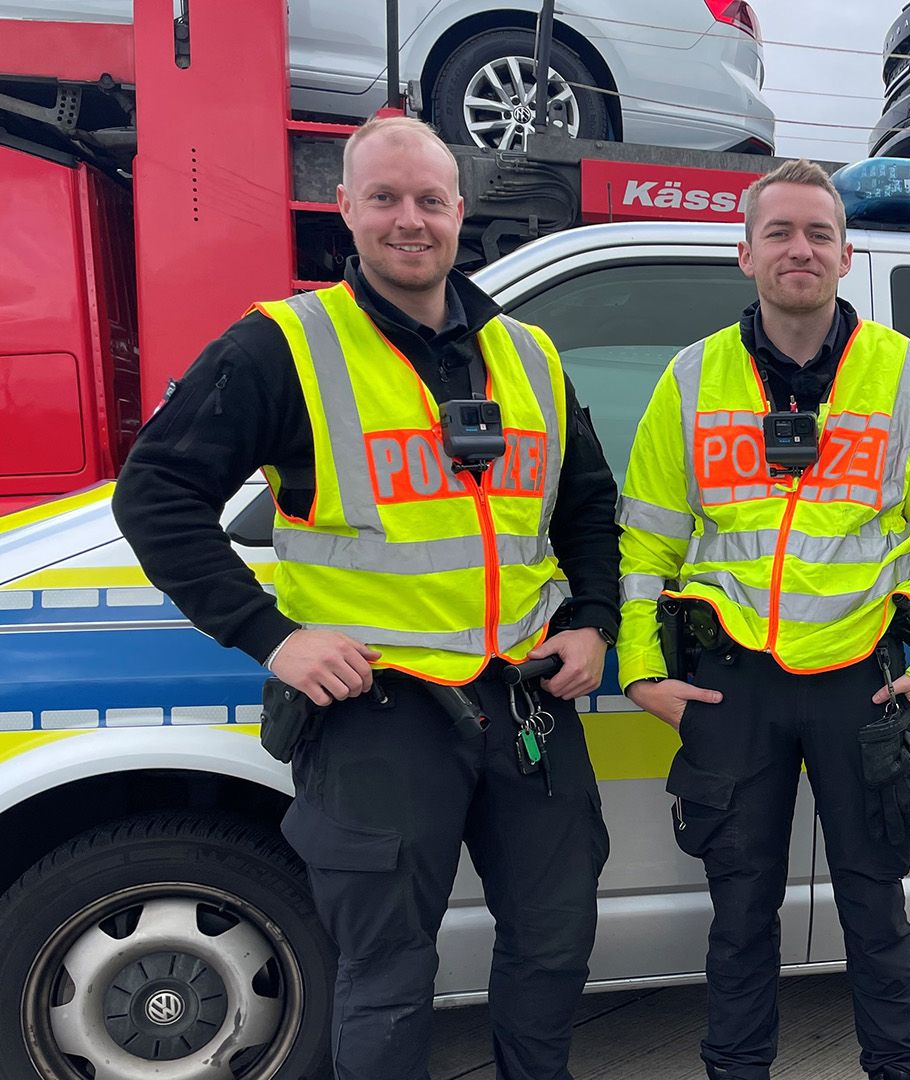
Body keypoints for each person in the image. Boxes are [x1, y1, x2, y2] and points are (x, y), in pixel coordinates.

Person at [111, 116, 618, 1080]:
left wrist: (593, 619)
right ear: (345, 209)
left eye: (429, 200)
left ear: (460, 211)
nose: (409, 220)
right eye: (384, 199)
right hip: (376, 712)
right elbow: (156, 496)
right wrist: (272, 637)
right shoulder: (284, 346)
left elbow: (588, 505)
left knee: (554, 947)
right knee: (385, 973)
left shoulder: (530, 355)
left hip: (524, 699)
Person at [616, 159, 910, 1080]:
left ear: (846, 255)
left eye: (819, 233)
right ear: (745, 253)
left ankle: (900, 1069)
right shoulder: (692, 377)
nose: (801, 249)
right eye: (779, 232)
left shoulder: (905, 377)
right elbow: (646, 544)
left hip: (863, 682)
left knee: (875, 904)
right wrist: (641, 671)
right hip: (732, 682)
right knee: (740, 911)